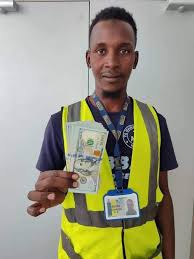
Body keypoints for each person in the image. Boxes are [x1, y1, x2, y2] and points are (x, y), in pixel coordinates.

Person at [27, 6, 178, 259]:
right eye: (101, 50)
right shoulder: (61, 122)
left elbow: (164, 197)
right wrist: (48, 195)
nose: (112, 62)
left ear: (136, 59)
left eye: (124, 50)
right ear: (89, 59)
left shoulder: (155, 121)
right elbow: (49, 188)